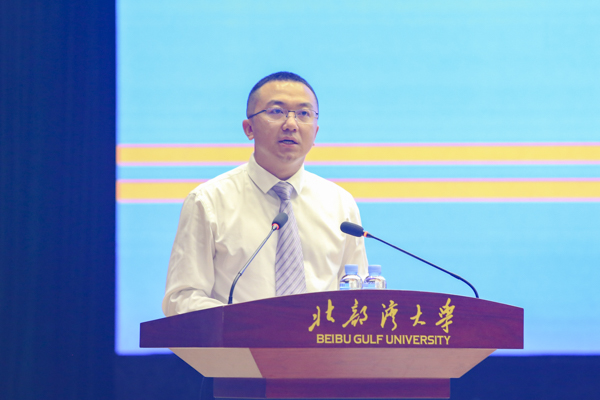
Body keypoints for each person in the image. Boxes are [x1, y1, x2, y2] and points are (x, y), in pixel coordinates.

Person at [162, 72, 368, 316]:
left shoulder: (340, 204)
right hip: (240, 341)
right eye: (276, 111)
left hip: (320, 341)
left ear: (315, 133)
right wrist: (248, 323)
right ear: (249, 128)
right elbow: (182, 298)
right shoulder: (208, 201)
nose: (291, 124)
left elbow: (359, 297)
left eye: (303, 114)